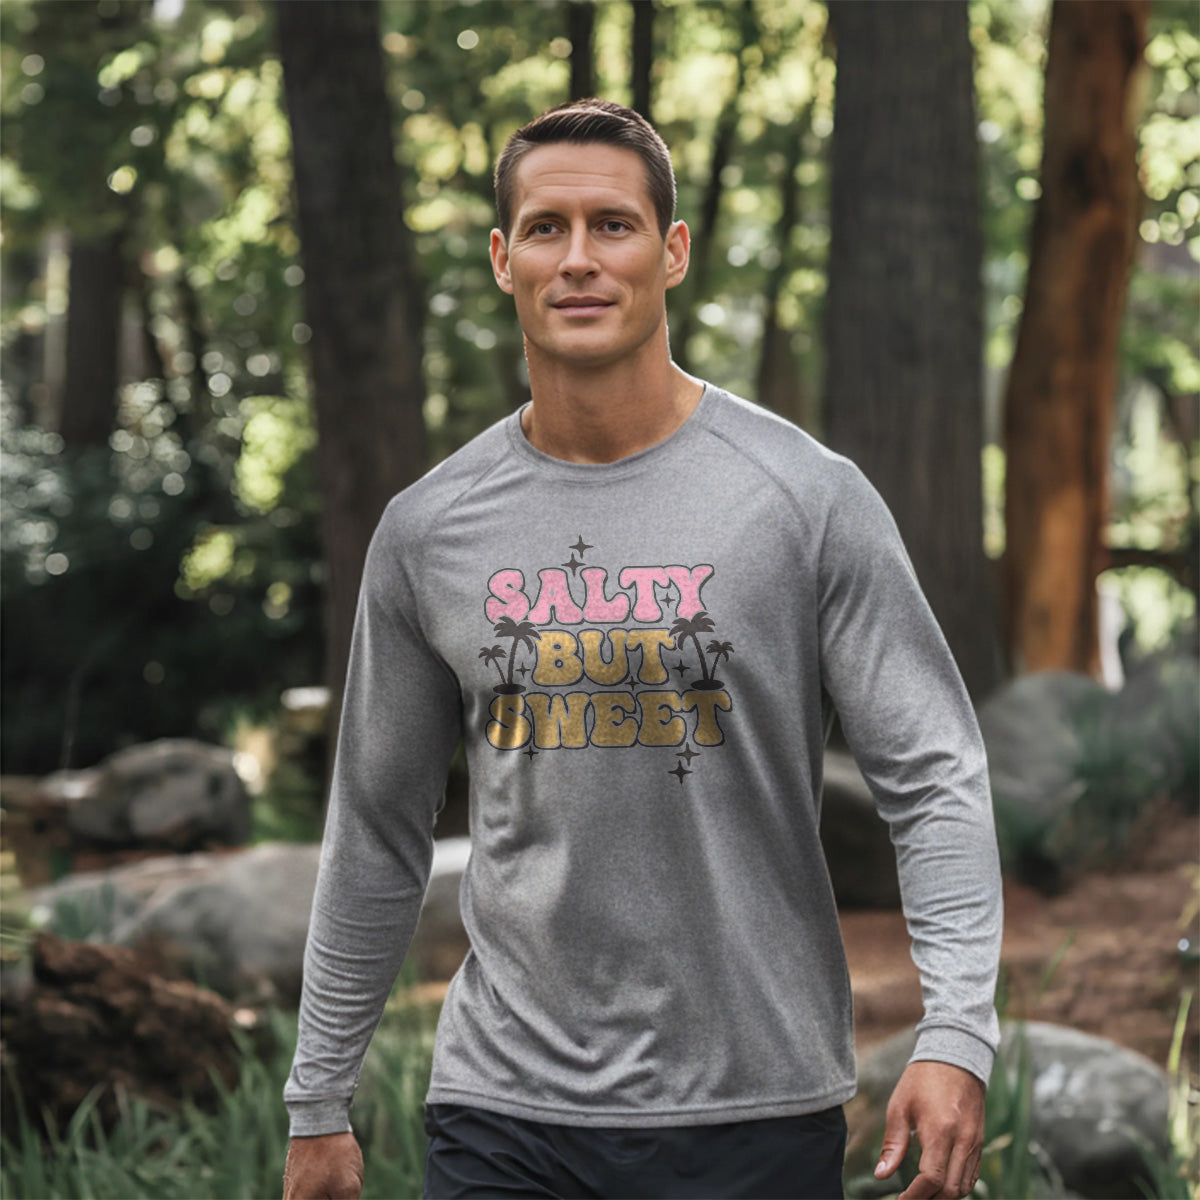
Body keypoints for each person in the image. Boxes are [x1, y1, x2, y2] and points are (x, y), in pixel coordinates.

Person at [282, 99, 1002, 1200]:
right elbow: (378, 825)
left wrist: (955, 1032)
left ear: (671, 252)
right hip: (504, 1108)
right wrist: (319, 1096)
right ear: (503, 258)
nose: (578, 259)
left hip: (754, 1102)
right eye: (546, 228)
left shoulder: (804, 499)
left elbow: (934, 772)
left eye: (612, 225)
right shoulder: (429, 531)